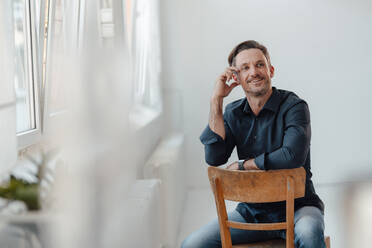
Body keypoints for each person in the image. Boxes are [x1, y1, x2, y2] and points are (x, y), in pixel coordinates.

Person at [181, 40, 325, 248]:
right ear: (236, 78)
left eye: (259, 65)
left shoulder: (294, 106)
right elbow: (214, 157)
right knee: (192, 245)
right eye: (245, 68)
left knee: (310, 234)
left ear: (271, 70)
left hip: (299, 209)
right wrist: (216, 100)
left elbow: (292, 156)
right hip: (252, 213)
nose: (254, 72)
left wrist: (243, 165)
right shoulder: (233, 112)